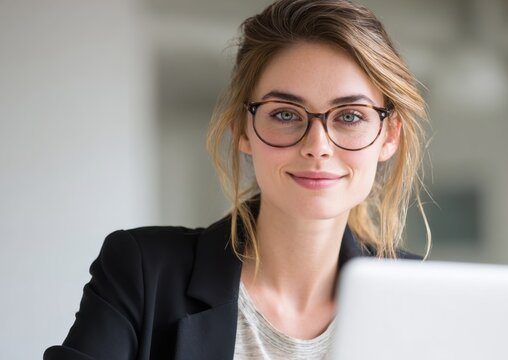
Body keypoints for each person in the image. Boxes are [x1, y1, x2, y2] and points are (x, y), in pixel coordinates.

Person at [44, 0, 430, 359]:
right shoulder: (143, 271)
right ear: (243, 130)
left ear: (389, 135)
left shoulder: (422, 295)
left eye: (349, 116)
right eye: (284, 114)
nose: (318, 146)